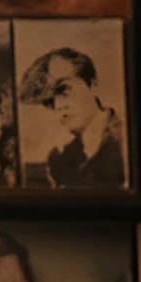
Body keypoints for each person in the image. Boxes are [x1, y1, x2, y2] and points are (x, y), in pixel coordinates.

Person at [19, 46, 126, 188]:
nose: (59, 106)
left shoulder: (126, 138)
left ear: (92, 85)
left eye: (64, 89)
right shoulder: (59, 159)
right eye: (49, 101)